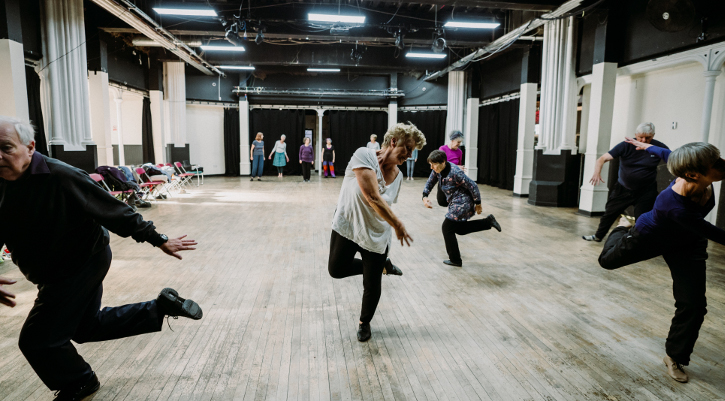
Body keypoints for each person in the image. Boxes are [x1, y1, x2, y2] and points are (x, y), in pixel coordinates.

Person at [0, 116, 203, 401]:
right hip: (49, 269)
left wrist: (158, 239)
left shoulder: (61, 175)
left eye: (6, 147)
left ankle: (80, 381)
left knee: (37, 339)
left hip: (81, 263)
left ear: (30, 147)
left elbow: (112, 210)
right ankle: (159, 308)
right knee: (85, 327)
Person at [599, 138, 725, 384]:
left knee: (694, 305)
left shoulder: (690, 169)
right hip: (651, 236)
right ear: (692, 174)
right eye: (716, 163)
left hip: (688, 243)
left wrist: (647, 146)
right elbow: (717, 234)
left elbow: (668, 154)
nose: (722, 164)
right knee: (606, 261)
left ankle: (675, 356)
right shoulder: (674, 206)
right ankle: (623, 226)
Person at [328, 123, 426, 342]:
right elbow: (372, 197)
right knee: (336, 269)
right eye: (408, 148)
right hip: (349, 225)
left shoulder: (398, 176)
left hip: (376, 234)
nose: (410, 155)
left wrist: (392, 224)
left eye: (412, 151)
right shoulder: (364, 155)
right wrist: (398, 224)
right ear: (394, 141)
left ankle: (364, 323)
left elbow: (386, 203)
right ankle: (382, 267)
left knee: (372, 285)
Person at [583, 122, 668, 242]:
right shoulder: (625, 145)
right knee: (609, 213)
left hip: (646, 191)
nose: (644, 140)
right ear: (635, 135)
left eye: (648, 137)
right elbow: (602, 159)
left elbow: (673, 160)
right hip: (623, 189)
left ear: (653, 135)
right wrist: (597, 172)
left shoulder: (659, 147)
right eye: (641, 137)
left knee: (643, 219)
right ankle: (598, 236)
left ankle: (641, 242)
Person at [422, 150, 501, 267]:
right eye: (430, 164)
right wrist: (425, 196)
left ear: (443, 162)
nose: (431, 167)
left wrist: (478, 203)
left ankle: (455, 260)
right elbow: (430, 182)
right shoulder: (437, 170)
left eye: (433, 164)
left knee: (447, 228)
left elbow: (473, 186)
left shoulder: (456, 173)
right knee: (460, 229)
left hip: (463, 202)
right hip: (454, 201)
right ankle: (488, 222)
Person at [436, 130, 465, 206]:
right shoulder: (442, 149)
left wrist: (460, 170)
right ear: (452, 140)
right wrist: (456, 167)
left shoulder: (459, 152)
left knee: (453, 202)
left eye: (460, 142)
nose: (459, 144)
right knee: (442, 202)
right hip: (443, 179)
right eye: (458, 142)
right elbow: (441, 164)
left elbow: (459, 165)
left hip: (454, 181)